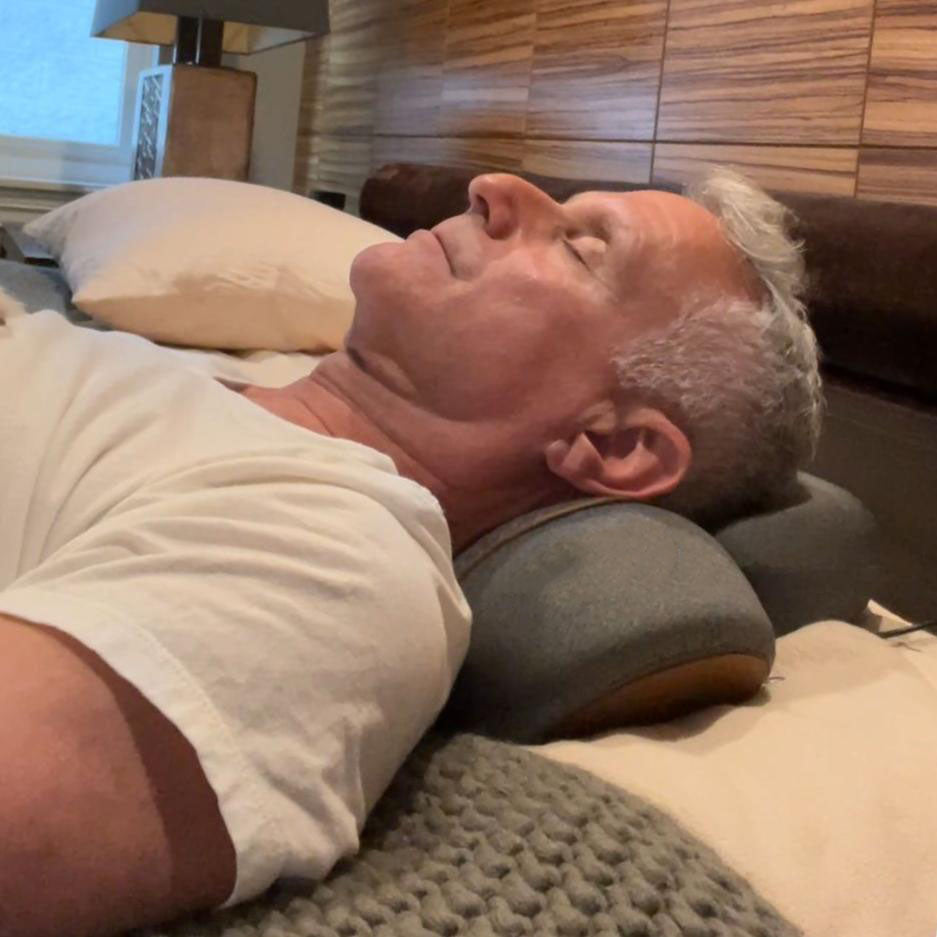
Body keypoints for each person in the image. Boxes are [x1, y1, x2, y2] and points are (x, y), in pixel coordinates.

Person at [0, 169, 820, 937]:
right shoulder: (212, 399)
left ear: (614, 446)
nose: (492, 187)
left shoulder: (329, 554)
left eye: (578, 246)